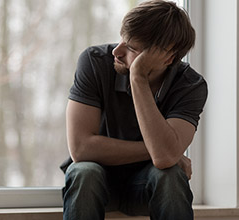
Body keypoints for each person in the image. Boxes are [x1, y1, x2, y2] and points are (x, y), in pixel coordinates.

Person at [60, 1, 208, 220]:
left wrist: (137, 77)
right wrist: (165, 152)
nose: (117, 51)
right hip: (98, 183)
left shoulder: (190, 86)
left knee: (170, 175)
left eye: (131, 48)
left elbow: (164, 160)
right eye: (122, 39)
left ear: (167, 58)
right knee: (84, 172)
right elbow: (81, 149)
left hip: (148, 187)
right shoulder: (94, 62)